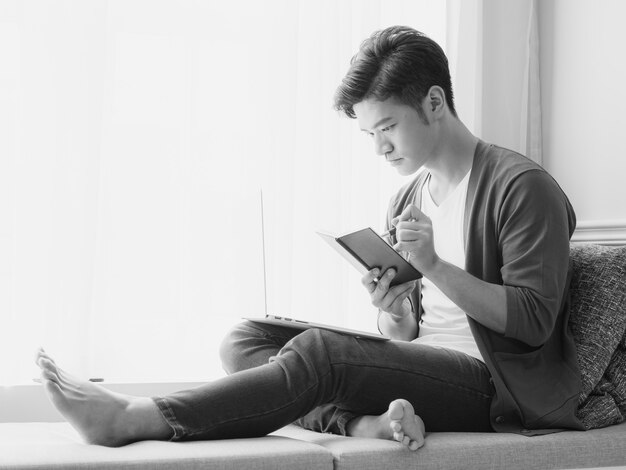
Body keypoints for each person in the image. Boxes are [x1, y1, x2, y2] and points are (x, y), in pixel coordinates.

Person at [34, 25, 585, 450]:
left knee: (324, 356)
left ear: (435, 103)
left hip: (496, 389)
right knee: (245, 340)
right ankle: (360, 424)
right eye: (371, 134)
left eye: (388, 127)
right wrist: (391, 310)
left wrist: (436, 265)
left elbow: (534, 322)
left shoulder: (522, 186)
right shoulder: (408, 197)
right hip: (429, 366)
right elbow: (412, 327)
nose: (381, 148)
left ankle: (140, 418)